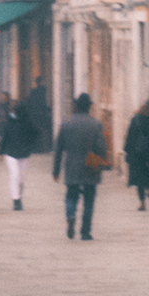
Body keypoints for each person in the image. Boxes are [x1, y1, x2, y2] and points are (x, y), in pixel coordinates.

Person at [50, 92, 109, 240]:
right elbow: (101, 147)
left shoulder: (66, 124)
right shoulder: (96, 124)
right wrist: (102, 162)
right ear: (89, 107)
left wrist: (56, 170)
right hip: (90, 165)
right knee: (89, 199)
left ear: (76, 106)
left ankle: (70, 215)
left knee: (71, 195)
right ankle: (85, 231)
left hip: (72, 166)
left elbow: (58, 150)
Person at [0, 93, 36, 210]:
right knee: (15, 175)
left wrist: (30, 146)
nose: (12, 112)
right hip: (11, 153)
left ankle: (19, 195)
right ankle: (16, 200)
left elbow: (34, 134)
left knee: (21, 178)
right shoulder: (9, 122)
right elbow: (5, 137)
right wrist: (1, 152)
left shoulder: (28, 123)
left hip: (24, 153)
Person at [124, 96, 149, 210]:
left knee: (139, 177)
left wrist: (128, 151)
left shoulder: (136, 117)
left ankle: (142, 203)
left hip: (137, 152)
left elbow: (130, 136)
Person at [25, 77, 52, 153]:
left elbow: (32, 102)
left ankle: (38, 148)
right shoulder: (42, 90)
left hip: (36, 114)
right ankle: (41, 148)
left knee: (37, 131)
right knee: (41, 131)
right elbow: (43, 103)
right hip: (40, 114)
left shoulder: (34, 91)